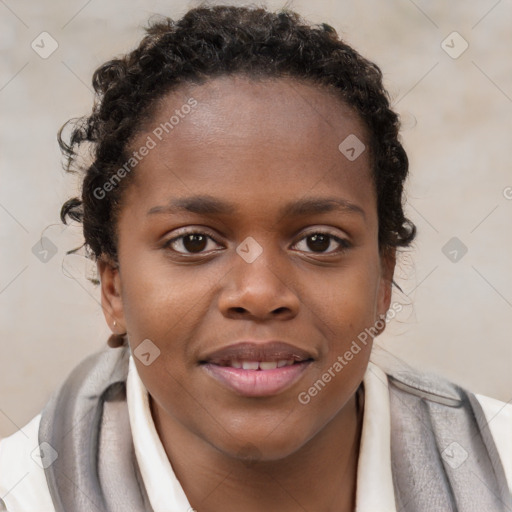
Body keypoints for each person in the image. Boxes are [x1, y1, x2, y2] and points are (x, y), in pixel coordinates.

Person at [0, 4, 510, 512]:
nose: (260, 293)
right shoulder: (22, 493)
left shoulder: (497, 469)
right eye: (194, 242)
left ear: (383, 280)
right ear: (113, 286)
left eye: (319, 241)